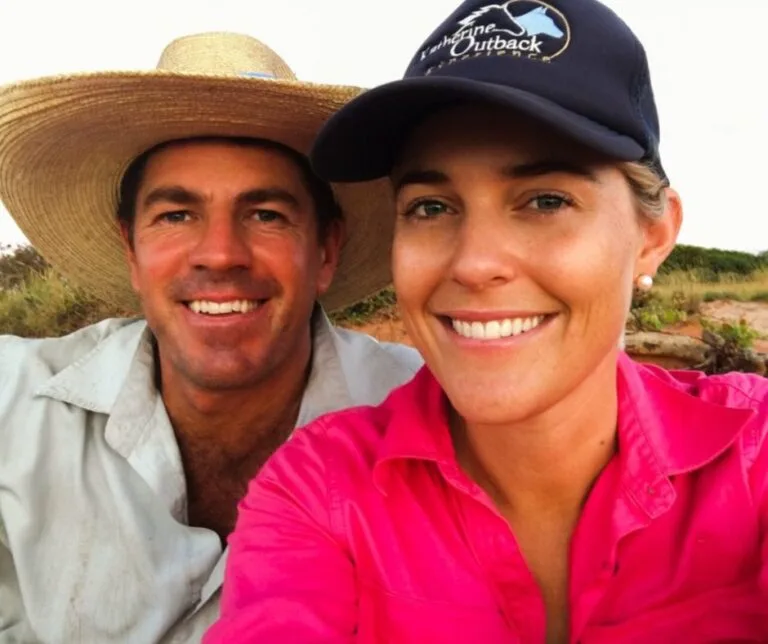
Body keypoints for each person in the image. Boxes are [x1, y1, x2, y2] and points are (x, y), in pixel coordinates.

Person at [207, 1, 768, 642]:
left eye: (547, 200)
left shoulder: (751, 455)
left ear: (654, 233)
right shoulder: (319, 492)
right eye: (430, 206)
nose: (474, 263)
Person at [0, 32, 421, 642]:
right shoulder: (14, 407)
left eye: (266, 215)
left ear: (326, 250)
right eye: (176, 215)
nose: (220, 254)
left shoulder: (433, 417)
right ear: (131, 250)